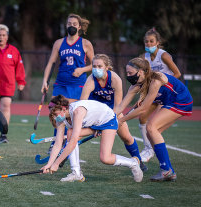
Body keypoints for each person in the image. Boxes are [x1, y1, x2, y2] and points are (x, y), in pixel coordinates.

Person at [56, 54, 147, 182]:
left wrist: (104, 124)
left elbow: (118, 106)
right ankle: (76, 171)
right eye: (94, 66)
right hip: (93, 114)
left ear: (107, 68)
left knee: (126, 138)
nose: (96, 69)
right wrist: (94, 125)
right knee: (72, 135)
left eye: (99, 66)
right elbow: (83, 103)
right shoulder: (91, 80)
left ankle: (138, 162)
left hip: (112, 113)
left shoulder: (115, 79)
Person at [115, 57, 192, 181]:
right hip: (167, 101)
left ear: (140, 71)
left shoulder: (155, 80)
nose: (128, 75)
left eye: (130, 73)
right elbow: (121, 106)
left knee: (151, 127)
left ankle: (166, 170)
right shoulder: (135, 85)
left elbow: (143, 109)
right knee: (151, 134)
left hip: (180, 100)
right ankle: (168, 170)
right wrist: (110, 118)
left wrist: (122, 120)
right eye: (127, 73)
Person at [41, 95, 143, 183]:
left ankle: (133, 163)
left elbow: (72, 142)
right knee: (70, 132)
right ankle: (76, 173)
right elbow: (58, 143)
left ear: (64, 109)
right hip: (93, 123)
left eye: (55, 114)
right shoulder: (61, 118)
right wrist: (49, 164)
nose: (54, 117)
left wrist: (56, 163)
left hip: (107, 120)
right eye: (52, 114)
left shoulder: (77, 112)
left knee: (105, 158)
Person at [41, 13, 94, 152]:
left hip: (77, 84)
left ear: (80, 27)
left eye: (74, 24)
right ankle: (55, 143)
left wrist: (82, 70)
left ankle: (68, 142)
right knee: (56, 110)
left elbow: (95, 64)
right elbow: (51, 62)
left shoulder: (85, 43)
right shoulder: (59, 43)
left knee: (71, 113)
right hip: (61, 84)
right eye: (69, 24)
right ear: (66, 26)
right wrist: (44, 81)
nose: (72, 26)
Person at [138, 28, 182, 162]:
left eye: (151, 41)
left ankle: (159, 154)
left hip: (168, 93)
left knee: (154, 126)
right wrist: (142, 95)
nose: (149, 44)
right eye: (146, 42)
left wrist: (165, 85)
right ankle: (148, 149)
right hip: (154, 92)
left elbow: (177, 73)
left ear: (157, 42)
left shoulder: (164, 56)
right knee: (142, 117)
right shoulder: (143, 57)